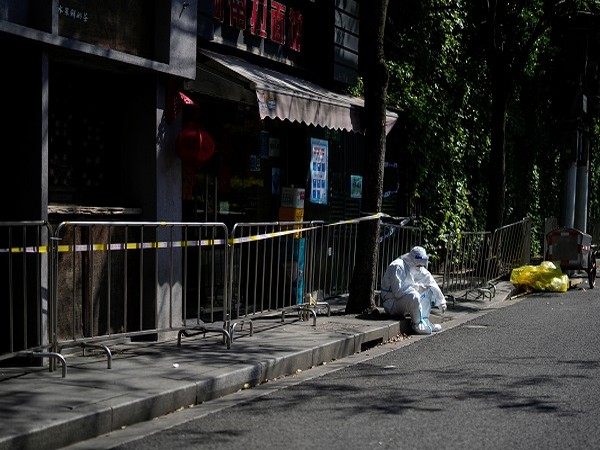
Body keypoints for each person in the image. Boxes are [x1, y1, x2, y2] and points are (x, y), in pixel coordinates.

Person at [380, 246, 447, 335]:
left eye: (421, 266)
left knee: (427, 289)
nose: (420, 268)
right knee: (414, 295)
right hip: (391, 302)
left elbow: (429, 280)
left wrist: (441, 301)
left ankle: (425, 321)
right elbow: (398, 292)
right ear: (413, 260)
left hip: (401, 300)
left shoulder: (414, 265)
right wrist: (417, 287)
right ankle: (417, 324)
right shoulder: (398, 266)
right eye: (419, 265)